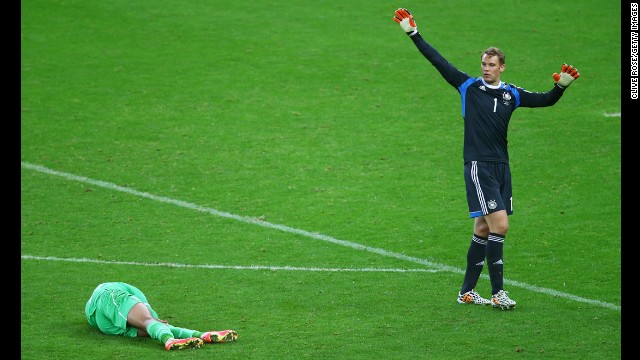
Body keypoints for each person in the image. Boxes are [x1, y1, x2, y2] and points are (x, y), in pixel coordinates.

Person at [392, 8, 580, 310]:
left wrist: (561, 86)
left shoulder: (511, 94)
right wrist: (414, 33)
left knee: (483, 229)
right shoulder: (468, 87)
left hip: (502, 168)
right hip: (479, 167)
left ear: (502, 67)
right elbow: (438, 61)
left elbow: (546, 100)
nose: (486, 68)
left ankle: (466, 292)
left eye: (491, 64)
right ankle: (497, 293)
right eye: (483, 64)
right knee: (501, 226)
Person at [85, 282, 238, 350]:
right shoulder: (126, 295)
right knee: (149, 321)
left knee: (151, 325)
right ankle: (170, 340)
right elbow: (153, 321)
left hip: (102, 325)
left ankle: (201, 335)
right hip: (107, 296)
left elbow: (150, 328)